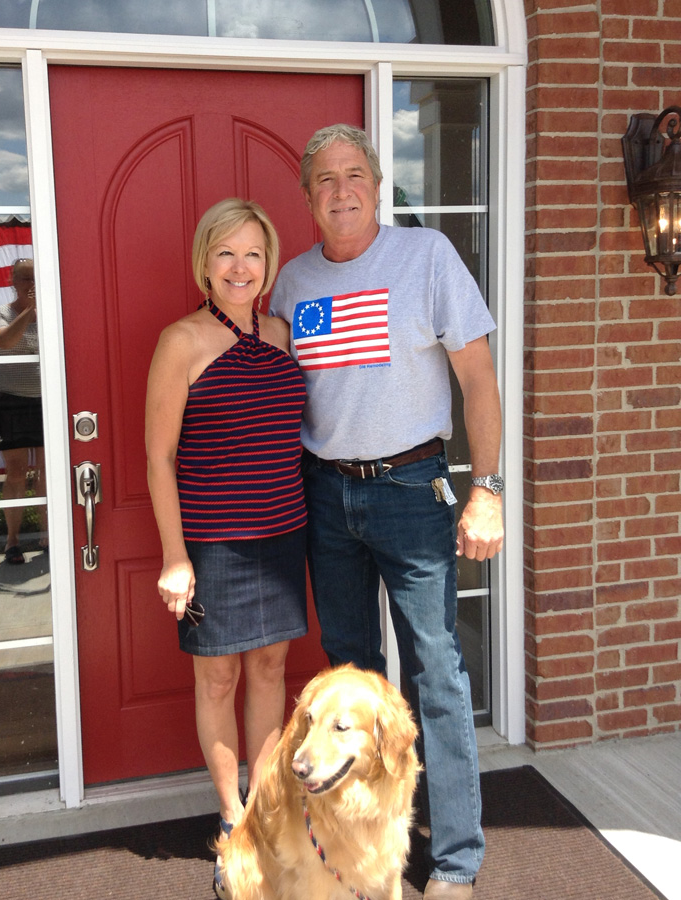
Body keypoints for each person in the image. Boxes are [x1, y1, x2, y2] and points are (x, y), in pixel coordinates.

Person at [270, 124, 504, 900]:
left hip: (411, 491)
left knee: (435, 670)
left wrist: (488, 489)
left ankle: (457, 860)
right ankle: (366, 853)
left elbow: (478, 380)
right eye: (324, 179)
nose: (341, 190)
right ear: (307, 196)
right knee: (349, 680)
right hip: (325, 494)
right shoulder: (292, 282)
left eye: (354, 175)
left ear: (376, 185)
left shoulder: (427, 256)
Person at [144, 198, 308, 898]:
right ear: (204, 264)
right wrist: (175, 556)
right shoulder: (180, 340)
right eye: (226, 254)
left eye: (253, 254)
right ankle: (232, 820)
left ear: (269, 263)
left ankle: (264, 813)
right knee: (217, 680)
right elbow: (159, 458)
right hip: (213, 543)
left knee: (270, 669)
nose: (241, 268)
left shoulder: (284, 332)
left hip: (284, 532)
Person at [0, 257, 47, 564]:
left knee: (48, 471)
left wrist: (41, 309)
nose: (32, 284)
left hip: (46, 400)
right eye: (25, 278)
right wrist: (29, 311)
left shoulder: (53, 311)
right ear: (13, 282)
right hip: (9, 399)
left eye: (36, 277)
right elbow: (5, 341)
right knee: (17, 472)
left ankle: (49, 535)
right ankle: (12, 541)